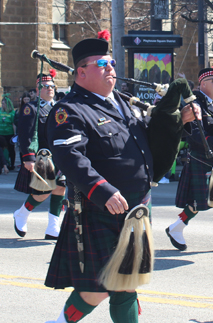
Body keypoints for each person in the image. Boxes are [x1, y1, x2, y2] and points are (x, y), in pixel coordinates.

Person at [44, 31, 199, 323]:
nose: (111, 68)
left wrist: (181, 120)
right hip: (102, 209)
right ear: (81, 72)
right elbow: (71, 158)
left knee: (126, 282)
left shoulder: (122, 103)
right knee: (99, 288)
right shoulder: (70, 111)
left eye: (112, 62)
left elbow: (145, 140)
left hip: (136, 206)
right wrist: (102, 190)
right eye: (102, 64)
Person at [166, 66, 213, 253]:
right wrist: (212, 141)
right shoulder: (194, 104)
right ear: (203, 84)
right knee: (197, 203)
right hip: (200, 157)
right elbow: (191, 134)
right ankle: (176, 227)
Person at [12, 71, 66, 240]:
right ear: (38, 89)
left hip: (60, 155)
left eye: (52, 86)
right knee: (43, 191)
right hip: (43, 156)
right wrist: (28, 157)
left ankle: (53, 226)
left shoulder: (60, 107)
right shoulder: (32, 108)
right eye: (46, 86)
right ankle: (22, 213)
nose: (50, 89)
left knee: (60, 189)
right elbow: (25, 133)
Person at [0, 94, 16, 170]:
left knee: (11, 150)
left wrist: (14, 134)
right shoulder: (0, 111)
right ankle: (3, 164)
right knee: (1, 150)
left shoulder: (12, 113)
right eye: (2, 103)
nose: (2, 105)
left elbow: (13, 124)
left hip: (9, 134)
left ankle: (11, 164)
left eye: (3, 103)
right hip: (1, 134)